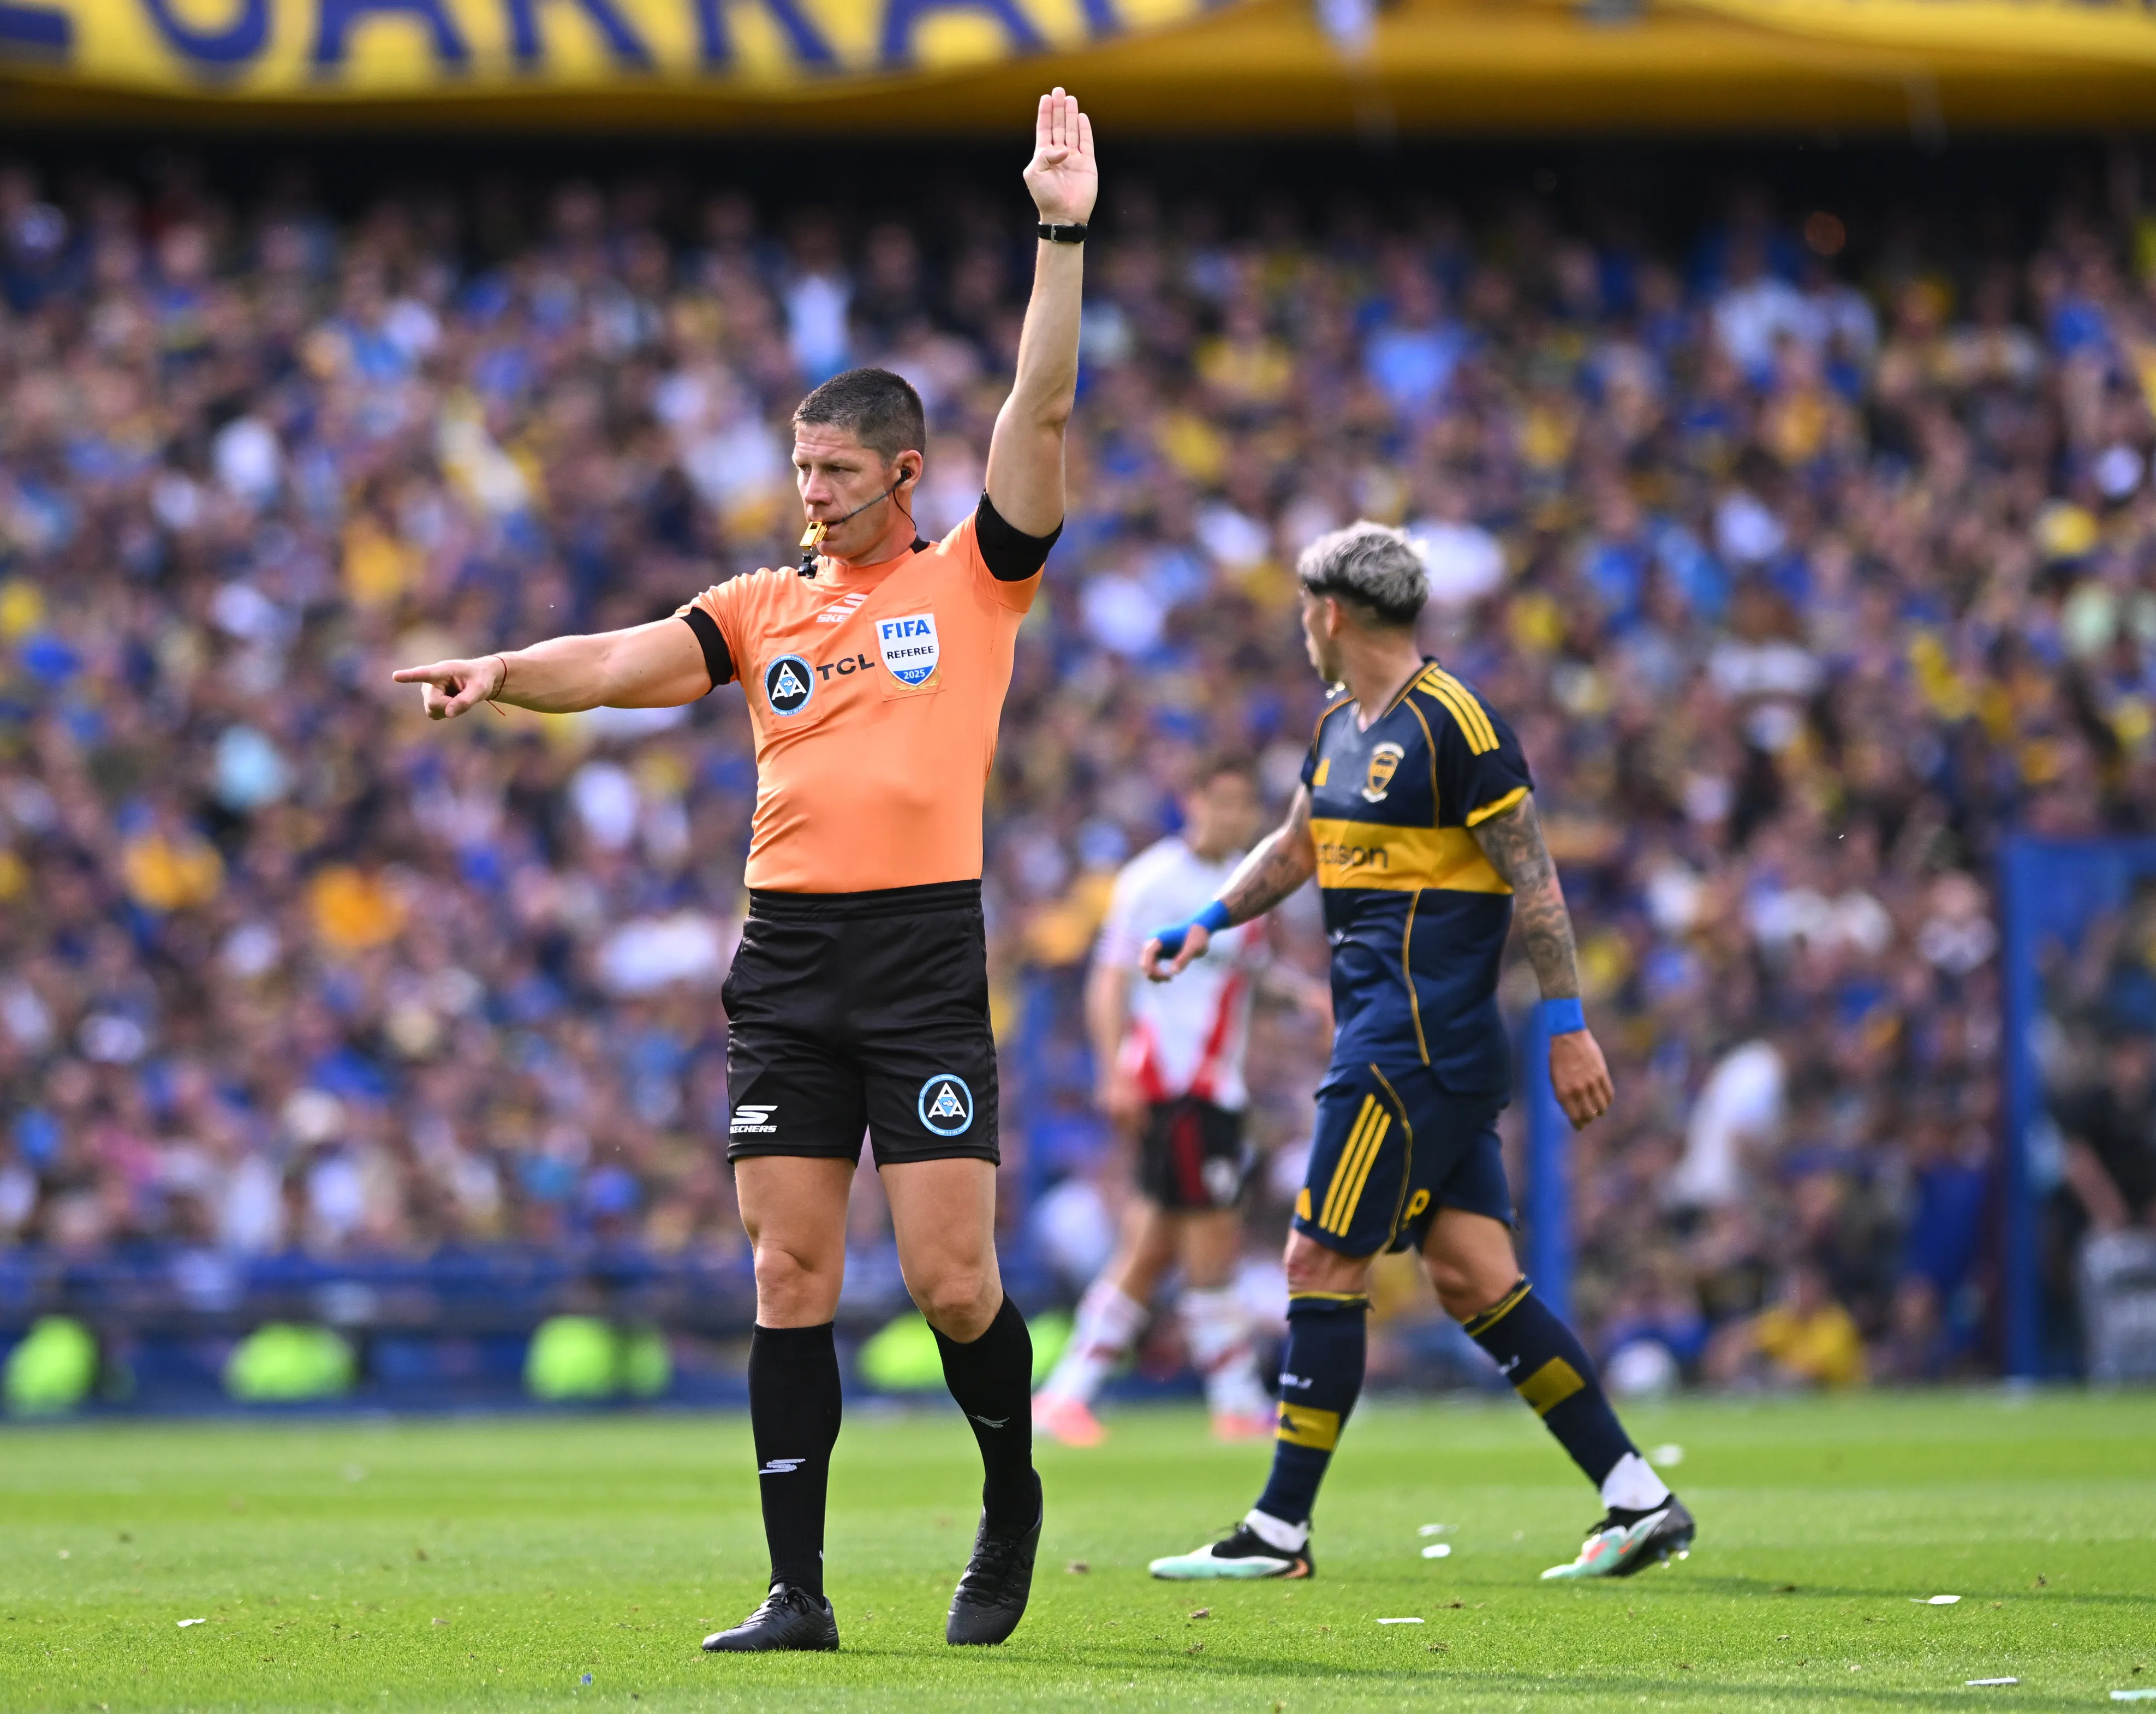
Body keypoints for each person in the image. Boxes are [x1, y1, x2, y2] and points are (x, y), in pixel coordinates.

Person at [392, 88, 1099, 1652]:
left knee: (954, 1280)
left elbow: (1038, 419)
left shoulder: (972, 579)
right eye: (801, 469)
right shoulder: (760, 606)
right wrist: (504, 672)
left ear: (907, 474)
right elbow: (629, 662)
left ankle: (1011, 1492)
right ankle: (800, 1588)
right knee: (789, 1265)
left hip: (920, 961)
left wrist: (1058, 235)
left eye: (838, 472)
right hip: (785, 961)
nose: (811, 494)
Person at [1137, 523, 1696, 1584]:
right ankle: (1637, 1495)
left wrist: (1566, 1022)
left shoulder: (1459, 726)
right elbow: (1299, 844)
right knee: (1472, 1275)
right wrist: (1208, 918)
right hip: (1391, 1037)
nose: (1301, 628)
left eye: (1305, 609)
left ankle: (1278, 1529)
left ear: (1332, 613)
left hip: (1412, 1046)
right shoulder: (1336, 724)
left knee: (1315, 1262)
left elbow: (1534, 879)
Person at [1034, 756, 1324, 1447]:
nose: (1229, 818)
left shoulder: (1249, 883)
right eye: (1217, 803)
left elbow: (1247, 972)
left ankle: (1067, 1393)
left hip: (1214, 1089)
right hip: (1176, 1087)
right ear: (1189, 800)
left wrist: (1302, 994)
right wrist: (1113, 1072)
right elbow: (1109, 983)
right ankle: (1234, 1401)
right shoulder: (1151, 881)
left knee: (1153, 1247)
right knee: (1209, 1242)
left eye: (1240, 805)